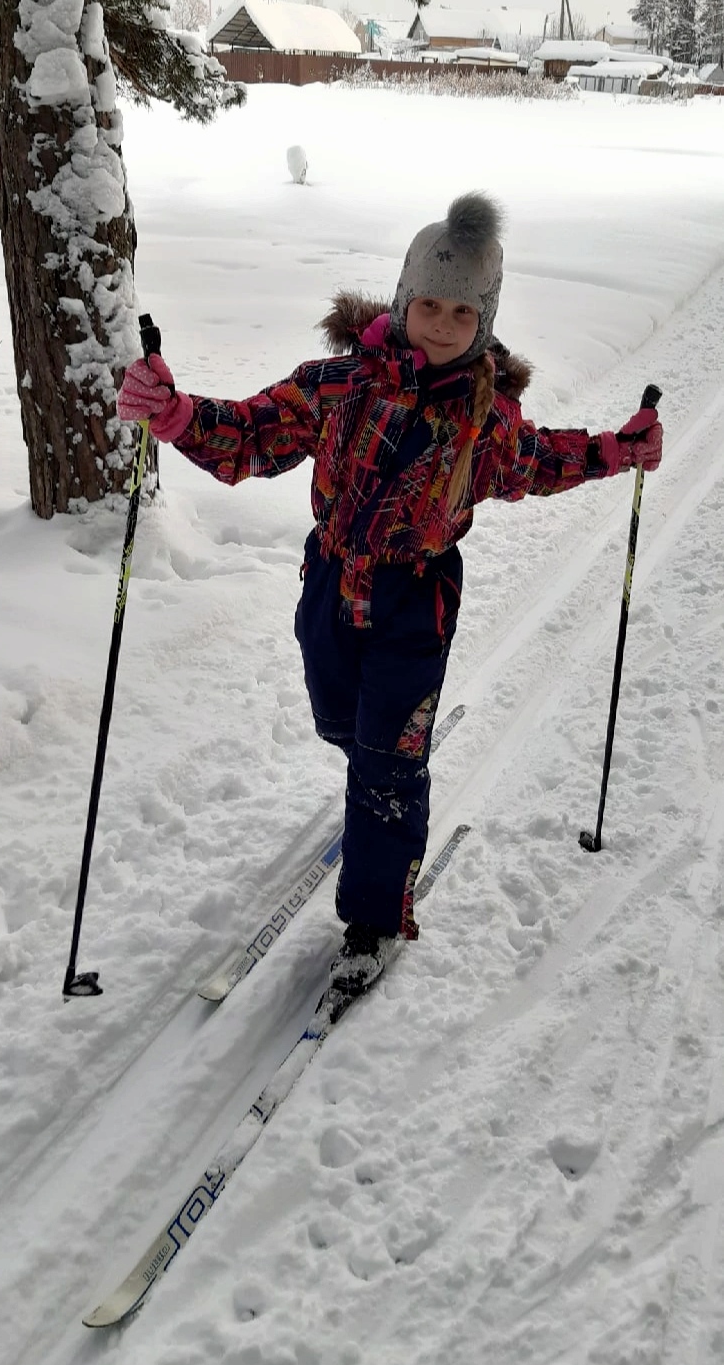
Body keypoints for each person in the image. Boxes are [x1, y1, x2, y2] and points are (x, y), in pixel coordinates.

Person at [117, 192, 663, 997]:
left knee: (385, 766)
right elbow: (256, 433)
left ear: (484, 322)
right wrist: (175, 414)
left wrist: (616, 450)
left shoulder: (487, 419)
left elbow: (542, 460)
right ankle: (372, 763)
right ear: (405, 301)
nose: (442, 325)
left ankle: (374, 915)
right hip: (331, 586)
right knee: (339, 720)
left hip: (416, 602)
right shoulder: (339, 384)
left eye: (462, 312)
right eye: (430, 306)